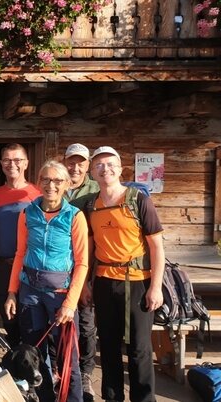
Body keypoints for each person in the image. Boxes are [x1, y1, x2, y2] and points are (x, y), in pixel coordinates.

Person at [83, 146, 164, 402]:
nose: (104, 169)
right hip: (105, 283)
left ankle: (144, 399)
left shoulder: (138, 200)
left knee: (139, 348)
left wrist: (156, 287)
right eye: (98, 165)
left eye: (109, 164)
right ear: (92, 172)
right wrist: (86, 283)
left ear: (119, 168)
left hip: (138, 282)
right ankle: (112, 397)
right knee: (107, 345)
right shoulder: (91, 205)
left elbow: (157, 246)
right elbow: (90, 248)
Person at [4, 160, 89, 402]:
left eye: (57, 181)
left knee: (66, 357)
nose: (51, 185)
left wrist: (70, 304)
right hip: (30, 291)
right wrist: (12, 292)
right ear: (39, 182)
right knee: (35, 353)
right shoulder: (27, 213)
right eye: (46, 180)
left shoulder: (75, 216)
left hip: (60, 294)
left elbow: (82, 263)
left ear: (66, 185)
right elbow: (20, 253)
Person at [0, 143, 42, 347]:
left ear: (26, 163)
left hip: (30, 265)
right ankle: (16, 359)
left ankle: (32, 364)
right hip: (3, 264)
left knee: (29, 317)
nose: (13, 164)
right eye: (7, 160)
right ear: (1, 164)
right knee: (7, 316)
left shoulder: (38, 194)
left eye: (17, 160)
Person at [63, 143, 100, 402]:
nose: (75, 167)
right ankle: (61, 370)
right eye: (71, 162)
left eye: (81, 163)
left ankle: (85, 373)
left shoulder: (97, 191)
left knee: (86, 324)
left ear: (88, 165)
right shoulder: (56, 185)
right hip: (58, 267)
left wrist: (86, 280)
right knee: (62, 321)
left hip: (86, 265)